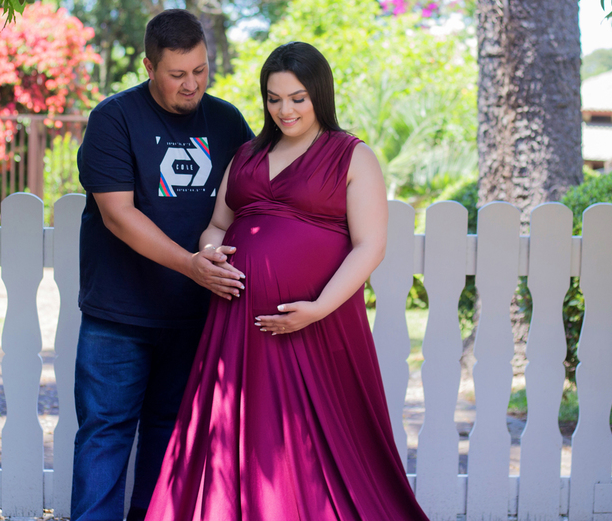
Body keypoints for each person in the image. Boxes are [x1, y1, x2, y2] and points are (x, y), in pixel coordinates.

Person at [144, 41, 431, 521]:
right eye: (274, 98)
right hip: (236, 319)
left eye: (297, 97)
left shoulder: (351, 156)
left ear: (319, 93)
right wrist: (210, 252)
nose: (285, 110)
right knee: (239, 429)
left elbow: (370, 246)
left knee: (317, 436)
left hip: (318, 322)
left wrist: (318, 308)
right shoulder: (248, 154)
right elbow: (218, 223)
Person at [73, 9, 254, 521]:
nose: (191, 84)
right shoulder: (113, 119)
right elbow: (118, 215)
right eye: (177, 74)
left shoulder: (226, 122)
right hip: (119, 316)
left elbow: (251, 200)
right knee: (105, 434)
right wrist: (191, 264)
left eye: (200, 70)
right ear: (149, 65)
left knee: (171, 434)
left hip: (196, 316)